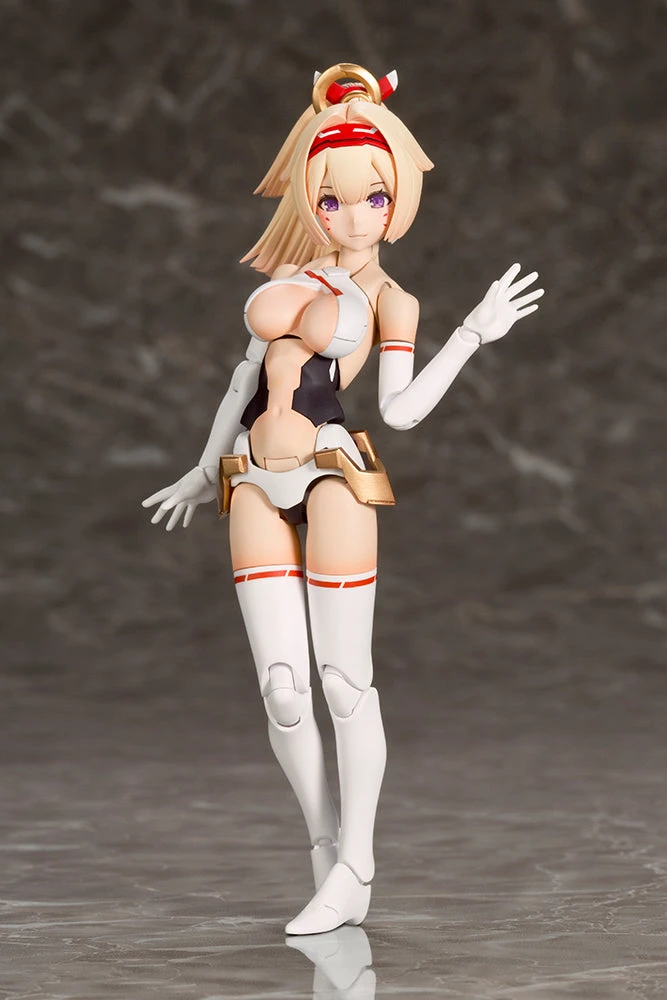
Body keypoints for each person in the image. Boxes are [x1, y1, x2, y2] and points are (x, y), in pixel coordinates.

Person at [142, 63, 544, 935]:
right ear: (308, 200)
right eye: (330, 199)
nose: (353, 217)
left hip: (331, 476)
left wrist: (470, 334)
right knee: (283, 690)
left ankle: (359, 860)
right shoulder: (291, 277)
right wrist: (202, 468)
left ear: (396, 200)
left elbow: (398, 411)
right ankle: (325, 852)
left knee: (342, 681)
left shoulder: (391, 300)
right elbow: (243, 381)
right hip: (251, 477)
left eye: (372, 197)